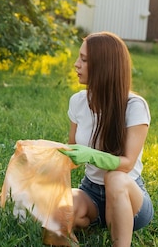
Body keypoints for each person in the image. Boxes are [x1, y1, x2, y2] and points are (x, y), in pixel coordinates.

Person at [60, 32, 153, 247]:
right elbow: (72, 152)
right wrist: (43, 154)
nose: (76, 65)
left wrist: (91, 155)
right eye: (78, 58)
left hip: (129, 197)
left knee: (115, 178)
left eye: (84, 60)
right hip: (90, 191)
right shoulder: (78, 101)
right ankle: (85, 224)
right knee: (60, 209)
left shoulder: (134, 106)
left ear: (104, 66)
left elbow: (127, 163)